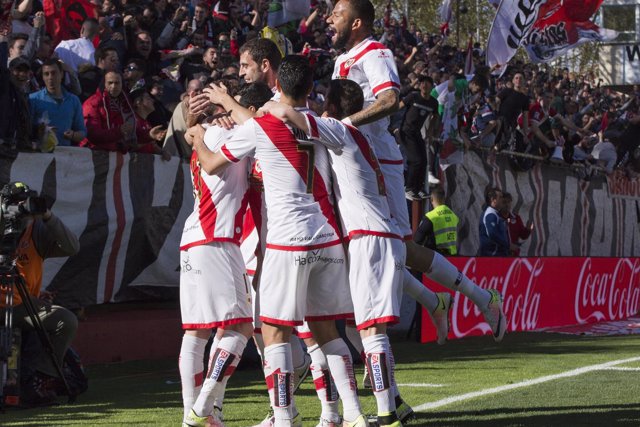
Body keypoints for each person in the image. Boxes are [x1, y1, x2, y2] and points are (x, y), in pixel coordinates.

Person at [188, 55, 367, 427]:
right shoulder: (323, 124)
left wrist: (198, 136)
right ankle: (352, 415)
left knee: (273, 333)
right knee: (326, 332)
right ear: (309, 89)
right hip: (327, 237)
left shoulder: (262, 125)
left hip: (288, 240)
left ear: (277, 87)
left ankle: (284, 418)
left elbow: (211, 164)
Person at [328, 0, 505, 372]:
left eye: (337, 13)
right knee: (369, 248)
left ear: (357, 22)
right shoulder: (343, 59)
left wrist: (345, 125)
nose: (330, 18)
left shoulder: (375, 52)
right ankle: (439, 301)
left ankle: (475, 297)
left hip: (379, 162)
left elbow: (391, 99)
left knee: (391, 247)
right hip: (352, 161)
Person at [262, 78, 407, 427]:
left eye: (326, 102)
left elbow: (292, 116)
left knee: (371, 332)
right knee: (369, 328)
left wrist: (267, 106)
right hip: (381, 234)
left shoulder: (338, 129)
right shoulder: (360, 136)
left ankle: (387, 415)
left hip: (370, 237)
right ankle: (395, 406)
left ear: (334, 108)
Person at [177, 85, 274, 427]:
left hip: (194, 240)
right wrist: (225, 112)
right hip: (216, 239)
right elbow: (259, 128)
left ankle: (197, 416)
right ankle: (201, 408)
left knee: (196, 334)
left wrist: (196, 126)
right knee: (240, 327)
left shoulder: (206, 131)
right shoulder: (223, 135)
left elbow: (194, 130)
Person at [1, 182, 80, 405]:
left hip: (20, 305)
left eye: (25, 203)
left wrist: (46, 215)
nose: (22, 211)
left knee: (65, 320)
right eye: (16, 205)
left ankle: (39, 379)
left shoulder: (36, 230)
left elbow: (72, 247)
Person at [398, 75, 439, 200]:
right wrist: (394, 126)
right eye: (422, 83)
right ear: (420, 85)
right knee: (415, 160)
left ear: (432, 87)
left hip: (417, 133)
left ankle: (419, 189)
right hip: (406, 132)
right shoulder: (413, 96)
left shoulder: (433, 102)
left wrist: (430, 133)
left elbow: (435, 116)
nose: (424, 86)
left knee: (424, 161)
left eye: (427, 84)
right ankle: (409, 188)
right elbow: (398, 107)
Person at [28, 58, 87, 146]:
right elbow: (26, 131)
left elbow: (82, 132)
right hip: (40, 154)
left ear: (62, 74)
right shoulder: (33, 99)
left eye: (54, 73)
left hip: (66, 154)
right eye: (46, 74)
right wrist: (39, 131)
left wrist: (73, 135)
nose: (50, 77)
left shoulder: (74, 101)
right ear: (43, 77)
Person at [82, 71, 136, 152]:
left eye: (117, 83)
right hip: (93, 153)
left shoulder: (126, 103)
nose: (114, 86)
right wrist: (119, 131)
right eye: (110, 83)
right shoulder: (93, 103)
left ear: (122, 84)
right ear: (104, 84)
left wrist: (149, 136)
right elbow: (92, 134)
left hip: (115, 154)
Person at [414, 187, 459, 257]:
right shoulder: (453, 216)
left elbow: (417, 240)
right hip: (452, 256)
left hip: (436, 257)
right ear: (444, 199)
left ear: (431, 200)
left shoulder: (431, 217)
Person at [479, 187, 512, 256]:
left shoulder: (495, 213)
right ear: (493, 200)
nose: (502, 200)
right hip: (493, 256)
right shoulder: (490, 214)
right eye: (500, 197)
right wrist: (506, 244)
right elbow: (492, 234)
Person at [500, 192, 533, 256]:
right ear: (500, 204)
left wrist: (528, 229)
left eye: (509, 202)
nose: (507, 205)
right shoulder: (496, 218)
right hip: (500, 256)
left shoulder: (516, 218)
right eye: (504, 202)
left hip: (514, 256)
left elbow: (523, 236)